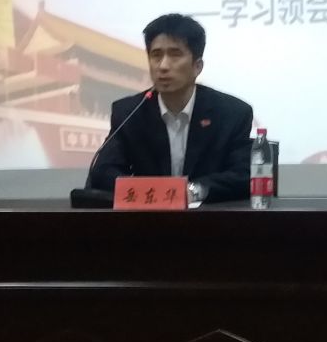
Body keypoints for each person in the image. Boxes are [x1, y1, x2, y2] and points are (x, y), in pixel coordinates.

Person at [87, 13, 254, 205]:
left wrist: (193, 191)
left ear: (197, 66)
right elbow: (103, 172)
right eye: (156, 55)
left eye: (175, 55)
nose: (163, 66)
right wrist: (150, 192)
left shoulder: (232, 114)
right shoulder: (129, 112)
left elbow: (244, 175)